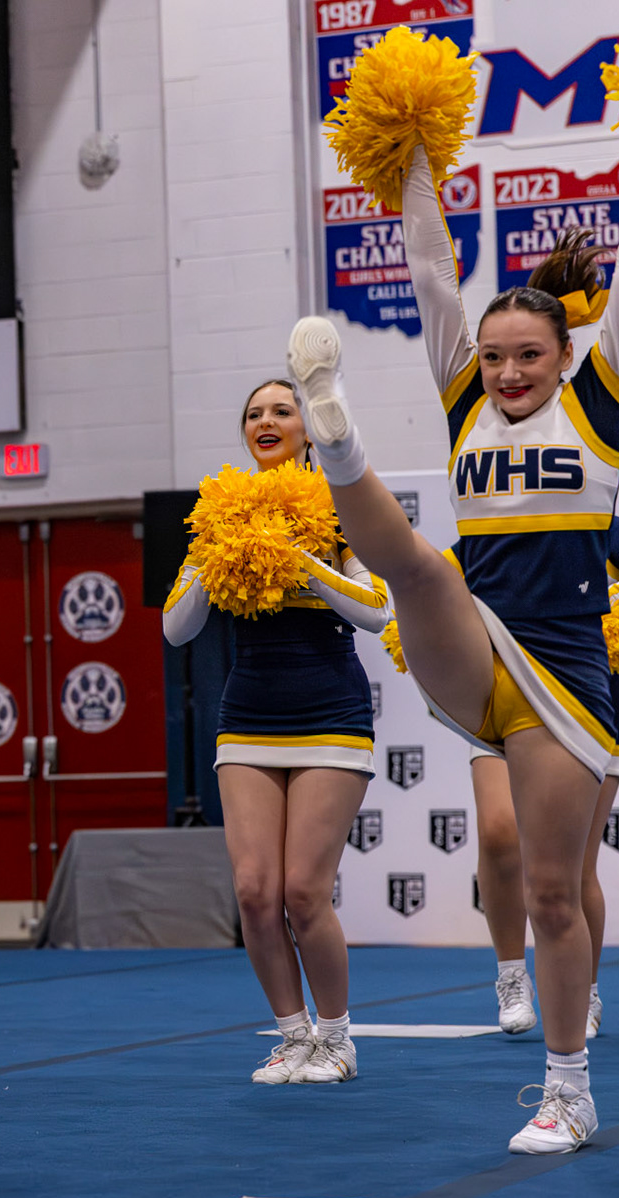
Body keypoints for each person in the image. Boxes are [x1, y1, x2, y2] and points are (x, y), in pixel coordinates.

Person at [287, 127, 619, 1151]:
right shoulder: (463, 404)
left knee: (551, 890)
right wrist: (408, 147)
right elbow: (430, 274)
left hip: (565, 670)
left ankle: (569, 1090)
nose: (505, 372)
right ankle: (337, 437)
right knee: (419, 567)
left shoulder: (598, 404)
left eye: (527, 355)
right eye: (492, 357)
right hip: (475, 641)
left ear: (567, 355)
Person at [163, 380, 387, 1086]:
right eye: (254, 413)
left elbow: (377, 609)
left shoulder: (342, 505)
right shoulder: (219, 514)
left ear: (308, 429)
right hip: (248, 715)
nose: (266, 420)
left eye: (281, 410)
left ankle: (337, 1038)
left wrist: (300, 560)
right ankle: (292, 1037)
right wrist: (219, 553)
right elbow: (176, 627)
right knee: (255, 891)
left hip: (330, 714)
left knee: (303, 891)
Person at [467, 514, 619, 1038]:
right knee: (498, 833)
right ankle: (511, 976)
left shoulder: (607, 527)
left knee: (574, 867)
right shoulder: (492, 528)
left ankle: (583, 990)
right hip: (504, 693)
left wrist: (585, 603)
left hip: (589, 697)